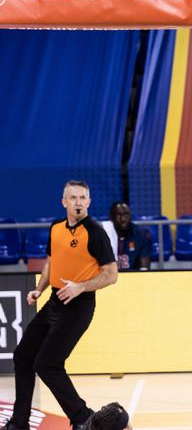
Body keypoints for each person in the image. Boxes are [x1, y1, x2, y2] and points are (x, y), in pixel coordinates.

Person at [3, 181, 117, 430]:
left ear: (89, 202)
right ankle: (19, 422)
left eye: (82, 198)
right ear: (63, 201)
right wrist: (39, 289)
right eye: (73, 197)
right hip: (55, 300)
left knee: (47, 363)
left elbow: (111, 274)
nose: (78, 202)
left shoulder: (95, 232)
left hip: (79, 305)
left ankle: (84, 419)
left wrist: (80, 287)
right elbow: (50, 264)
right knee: (23, 356)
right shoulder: (56, 228)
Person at [101, 202, 153, 271]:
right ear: (112, 218)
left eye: (126, 214)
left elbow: (144, 268)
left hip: (134, 277)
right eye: (119, 215)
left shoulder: (142, 234)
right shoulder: (103, 233)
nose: (123, 219)